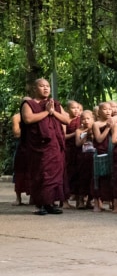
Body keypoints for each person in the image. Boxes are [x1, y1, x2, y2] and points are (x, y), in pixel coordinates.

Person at [21, 79, 70, 215]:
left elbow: (66, 120)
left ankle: (50, 203)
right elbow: (28, 119)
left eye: (47, 86)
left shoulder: (54, 104)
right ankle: (40, 205)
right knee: (41, 173)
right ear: (34, 88)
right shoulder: (29, 104)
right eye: (42, 86)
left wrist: (53, 111)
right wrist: (46, 112)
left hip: (54, 145)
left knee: (55, 174)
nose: (46, 88)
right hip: (38, 146)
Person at [91, 102, 115, 212]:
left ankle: (111, 202)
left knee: (110, 178)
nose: (108, 111)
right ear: (99, 112)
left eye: (110, 109)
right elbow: (99, 139)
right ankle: (96, 203)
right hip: (100, 152)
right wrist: (107, 128)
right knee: (98, 178)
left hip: (111, 151)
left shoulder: (113, 122)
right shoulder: (96, 124)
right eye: (105, 109)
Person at [74, 110, 96, 209]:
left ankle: (90, 200)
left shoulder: (95, 128)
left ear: (92, 119)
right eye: (83, 119)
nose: (86, 121)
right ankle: (81, 200)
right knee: (83, 177)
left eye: (88, 118)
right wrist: (86, 135)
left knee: (92, 178)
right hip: (83, 156)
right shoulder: (79, 131)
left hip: (93, 155)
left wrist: (92, 134)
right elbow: (78, 144)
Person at [63, 101, 83, 209]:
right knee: (67, 174)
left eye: (78, 108)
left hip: (79, 150)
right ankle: (64, 201)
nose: (76, 110)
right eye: (73, 108)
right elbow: (63, 136)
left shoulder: (81, 120)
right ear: (67, 109)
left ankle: (80, 201)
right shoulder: (64, 120)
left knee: (79, 174)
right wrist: (75, 133)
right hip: (68, 150)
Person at [11, 110, 29, 205]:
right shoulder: (16, 117)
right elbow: (17, 134)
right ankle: (18, 198)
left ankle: (33, 198)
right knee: (19, 172)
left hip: (34, 146)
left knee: (34, 172)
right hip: (21, 147)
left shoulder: (36, 115)